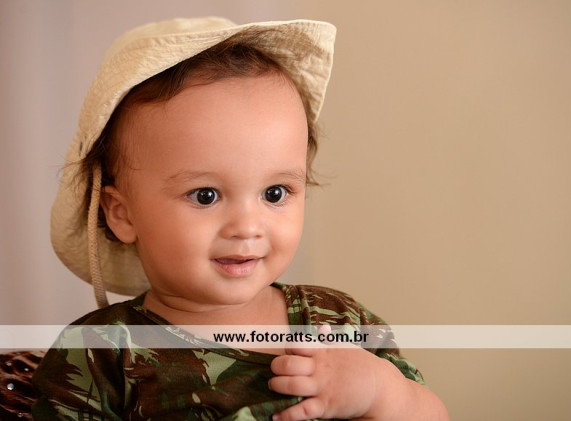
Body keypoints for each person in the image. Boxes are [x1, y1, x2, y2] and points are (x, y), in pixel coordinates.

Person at [32, 17, 449, 420]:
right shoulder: (99, 353)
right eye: (206, 196)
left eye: (274, 193)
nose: (247, 227)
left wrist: (381, 392)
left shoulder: (338, 321)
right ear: (122, 214)